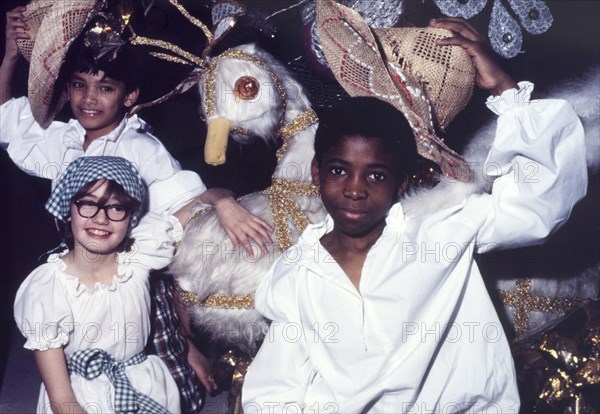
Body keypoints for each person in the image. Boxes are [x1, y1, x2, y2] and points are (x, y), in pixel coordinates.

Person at [241, 17, 588, 413]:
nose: (355, 189)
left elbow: (540, 197)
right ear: (317, 171)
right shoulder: (295, 274)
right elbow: (275, 388)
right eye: (339, 170)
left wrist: (504, 89)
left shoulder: (441, 230)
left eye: (376, 174)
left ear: (402, 182)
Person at [1, 6, 272, 412]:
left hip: (132, 273)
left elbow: (185, 200)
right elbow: (7, 122)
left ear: (128, 96)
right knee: (70, 366)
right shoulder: (65, 139)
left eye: (105, 88)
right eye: (78, 85)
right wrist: (9, 59)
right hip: (74, 271)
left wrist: (224, 199)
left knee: (150, 372)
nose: (89, 99)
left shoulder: (140, 147)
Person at [13, 156, 202, 413]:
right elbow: (62, 399)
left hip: (146, 384)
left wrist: (221, 200)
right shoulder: (49, 285)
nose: (101, 219)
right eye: (88, 205)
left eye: (116, 208)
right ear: (68, 212)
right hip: (82, 398)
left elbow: (192, 208)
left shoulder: (137, 259)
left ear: (131, 218)